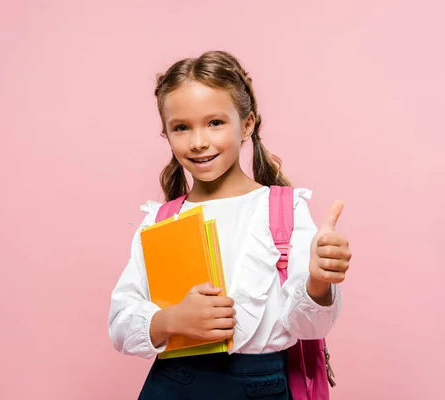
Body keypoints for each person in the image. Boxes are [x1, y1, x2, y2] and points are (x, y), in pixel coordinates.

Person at [107, 50, 352, 400]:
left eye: (215, 123)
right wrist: (172, 320)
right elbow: (121, 323)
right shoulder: (160, 222)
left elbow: (309, 326)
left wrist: (318, 280)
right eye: (181, 127)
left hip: (261, 386)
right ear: (166, 134)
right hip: (174, 384)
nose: (198, 141)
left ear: (247, 125)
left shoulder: (283, 210)